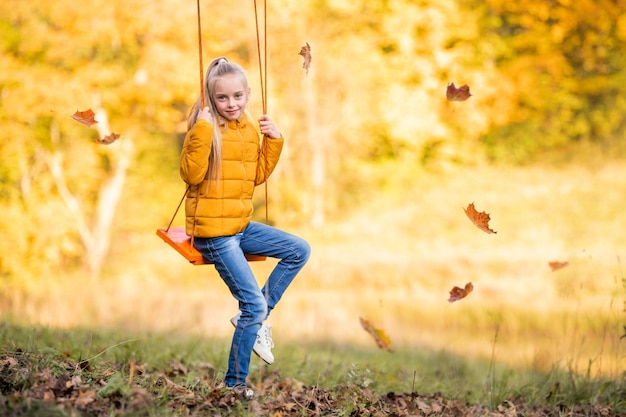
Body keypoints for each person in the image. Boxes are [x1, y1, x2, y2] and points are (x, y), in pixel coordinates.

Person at [179, 57, 311, 398]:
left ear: (248, 94)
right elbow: (191, 175)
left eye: (238, 96)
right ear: (211, 99)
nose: (231, 103)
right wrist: (203, 130)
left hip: (239, 225)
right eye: (222, 98)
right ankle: (234, 385)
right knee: (251, 305)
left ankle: (255, 318)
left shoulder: (249, 127)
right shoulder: (204, 128)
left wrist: (275, 140)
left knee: (299, 249)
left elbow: (256, 176)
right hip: (213, 233)